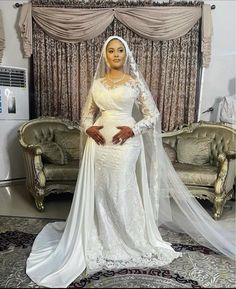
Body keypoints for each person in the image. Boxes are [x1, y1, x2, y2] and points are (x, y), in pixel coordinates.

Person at [26, 36, 235, 288]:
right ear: (105, 55)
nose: (115, 55)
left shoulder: (135, 83)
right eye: (111, 51)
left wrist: (132, 130)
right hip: (98, 146)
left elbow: (153, 115)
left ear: (126, 55)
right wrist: (89, 128)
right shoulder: (97, 84)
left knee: (120, 189)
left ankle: (128, 236)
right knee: (100, 190)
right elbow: (86, 116)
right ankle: (101, 235)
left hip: (126, 145)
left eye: (120, 51)